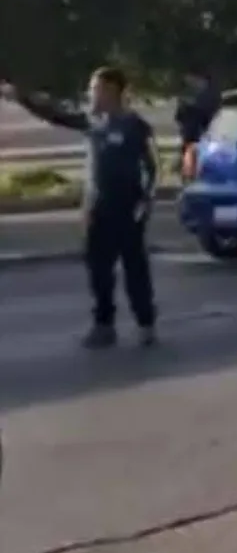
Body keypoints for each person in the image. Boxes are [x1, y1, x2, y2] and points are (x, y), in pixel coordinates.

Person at [0, 68, 159, 348]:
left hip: (128, 210)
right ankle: (103, 325)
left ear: (112, 91)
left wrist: (144, 202)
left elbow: (152, 167)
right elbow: (56, 115)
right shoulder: (92, 122)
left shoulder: (135, 126)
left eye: (95, 89)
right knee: (98, 270)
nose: (91, 94)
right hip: (98, 209)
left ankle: (145, 323)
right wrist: (21, 98)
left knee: (135, 270)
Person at [174, 71, 219, 148]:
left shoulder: (202, 99)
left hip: (194, 134)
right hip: (195, 134)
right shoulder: (202, 99)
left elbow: (178, 117)